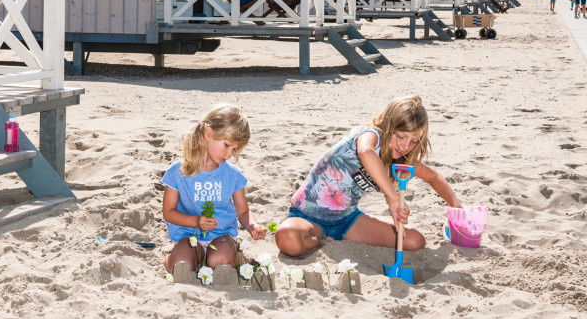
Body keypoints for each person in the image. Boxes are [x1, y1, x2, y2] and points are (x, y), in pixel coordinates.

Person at [275, 96, 463, 258]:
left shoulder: (399, 159)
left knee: (415, 241)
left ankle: (329, 240)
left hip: (346, 221)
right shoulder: (370, 135)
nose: (406, 146)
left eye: (414, 141)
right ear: (389, 127)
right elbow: (366, 152)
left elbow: (434, 177)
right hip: (308, 217)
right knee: (287, 237)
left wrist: (458, 209)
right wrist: (393, 198)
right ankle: (324, 241)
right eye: (401, 137)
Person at [162, 105, 267, 273]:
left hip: (221, 235)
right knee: (181, 266)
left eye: (234, 149)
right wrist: (196, 221)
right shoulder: (177, 172)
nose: (230, 153)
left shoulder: (232, 174)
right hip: (189, 236)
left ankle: (234, 254)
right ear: (208, 134)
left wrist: (253, 226)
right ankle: (173, 258)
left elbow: (243, 211)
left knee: (219, 262)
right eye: (227, 145)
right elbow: (169, 212)